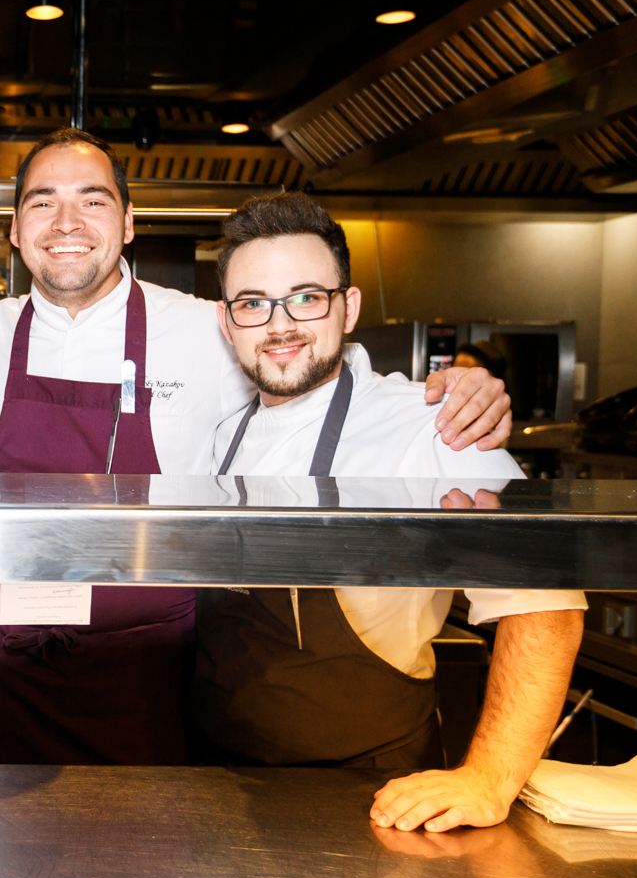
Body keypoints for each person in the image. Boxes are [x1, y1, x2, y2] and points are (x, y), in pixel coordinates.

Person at [0, 128, 514, 766]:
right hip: (7, 670)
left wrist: (457, 388)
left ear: (128, 223)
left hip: (155, 674)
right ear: (16, 230)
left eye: (93, 200)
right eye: (43, 202)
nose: (66, 221)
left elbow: (310, 369)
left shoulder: (202, 325)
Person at [194, 192, 585, 832]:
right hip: (217, 780)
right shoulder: (223, 434)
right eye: (254, 304)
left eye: (306, 297)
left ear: (347, 307)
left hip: (369, 791)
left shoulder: (431, 423)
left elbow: (545, 602)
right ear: (228, 320)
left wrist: (490, 776)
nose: (280, 323)